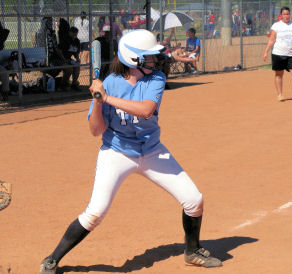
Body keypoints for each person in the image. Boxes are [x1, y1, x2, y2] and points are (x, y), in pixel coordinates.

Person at [39, 29, 222, 273]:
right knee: (95, 213)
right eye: (149, 57)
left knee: (194, 200)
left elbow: (146, 110)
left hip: (151, 151)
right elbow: (96, 131)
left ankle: (192, 250)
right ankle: (52, 259)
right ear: (132, 59)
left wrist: (107, 98)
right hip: (117, 153)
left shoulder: (155, 78)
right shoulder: (110, 84)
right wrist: (97, 101)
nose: (155, 61)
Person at [263, 7, 292, 102]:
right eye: (284, 14)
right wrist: (266, 52)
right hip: (278, 53)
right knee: (279, 74)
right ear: (281, 15)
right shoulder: (276, 26)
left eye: (288, 14)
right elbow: (271, 39)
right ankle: (280, 95)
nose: (286, 16)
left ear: (290, 15)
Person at [58, 21, 81, 91]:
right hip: (59, 59)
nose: (75, 35)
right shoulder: (65, 39)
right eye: (73, 33)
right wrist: (64, 59)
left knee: (77, 65)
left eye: (76, 33)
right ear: (69, 32)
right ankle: (62, 85)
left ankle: (74, 84)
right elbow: (58, 50)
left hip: (68, 59)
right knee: (69, 69)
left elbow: (75, 52)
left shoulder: (76, 41)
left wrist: (77, 58)